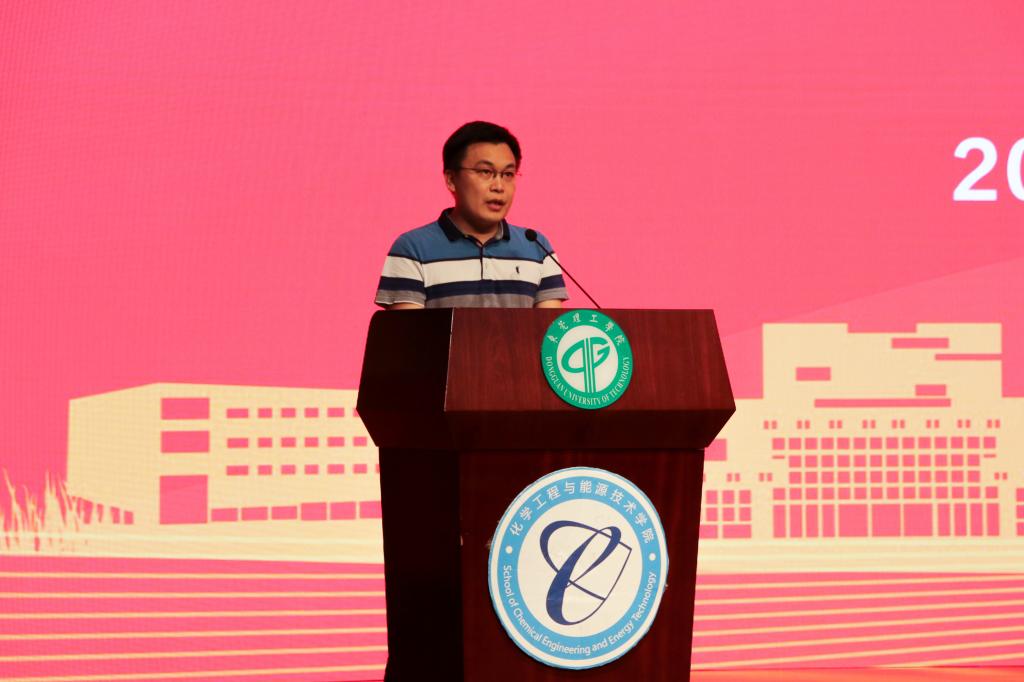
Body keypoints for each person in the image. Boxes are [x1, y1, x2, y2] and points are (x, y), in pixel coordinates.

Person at [374, 121, 568, 309]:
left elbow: (548, 328)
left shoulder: (536, 248)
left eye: (508, 174)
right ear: (451, 179)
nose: (499, 186)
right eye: (485, 172)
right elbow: (408, 330)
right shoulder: (413, 249)